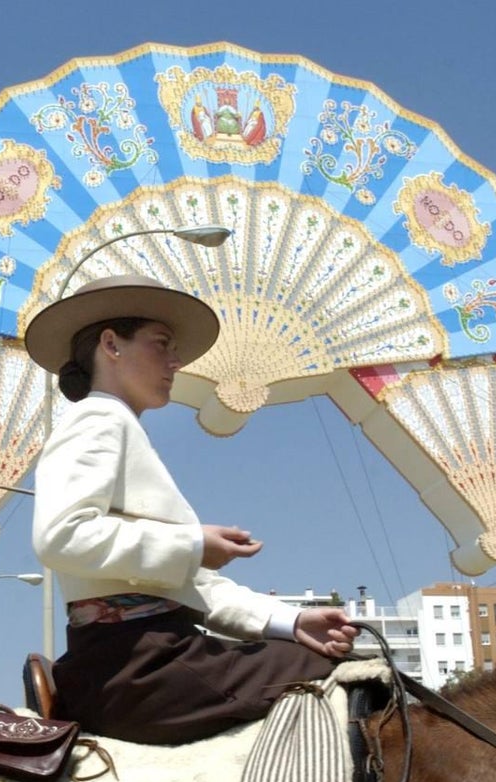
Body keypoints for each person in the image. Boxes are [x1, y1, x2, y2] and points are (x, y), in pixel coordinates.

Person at [24, 274, 359, 745]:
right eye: (162, 343)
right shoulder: (97, 417)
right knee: (358, 677)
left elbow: (189, 583)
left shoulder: (116, 424)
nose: (175, 361)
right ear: (111, 344)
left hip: (146, 660)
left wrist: (292, 621)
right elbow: (62, 536)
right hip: (138, 665)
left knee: (337, 667)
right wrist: (192, 544)